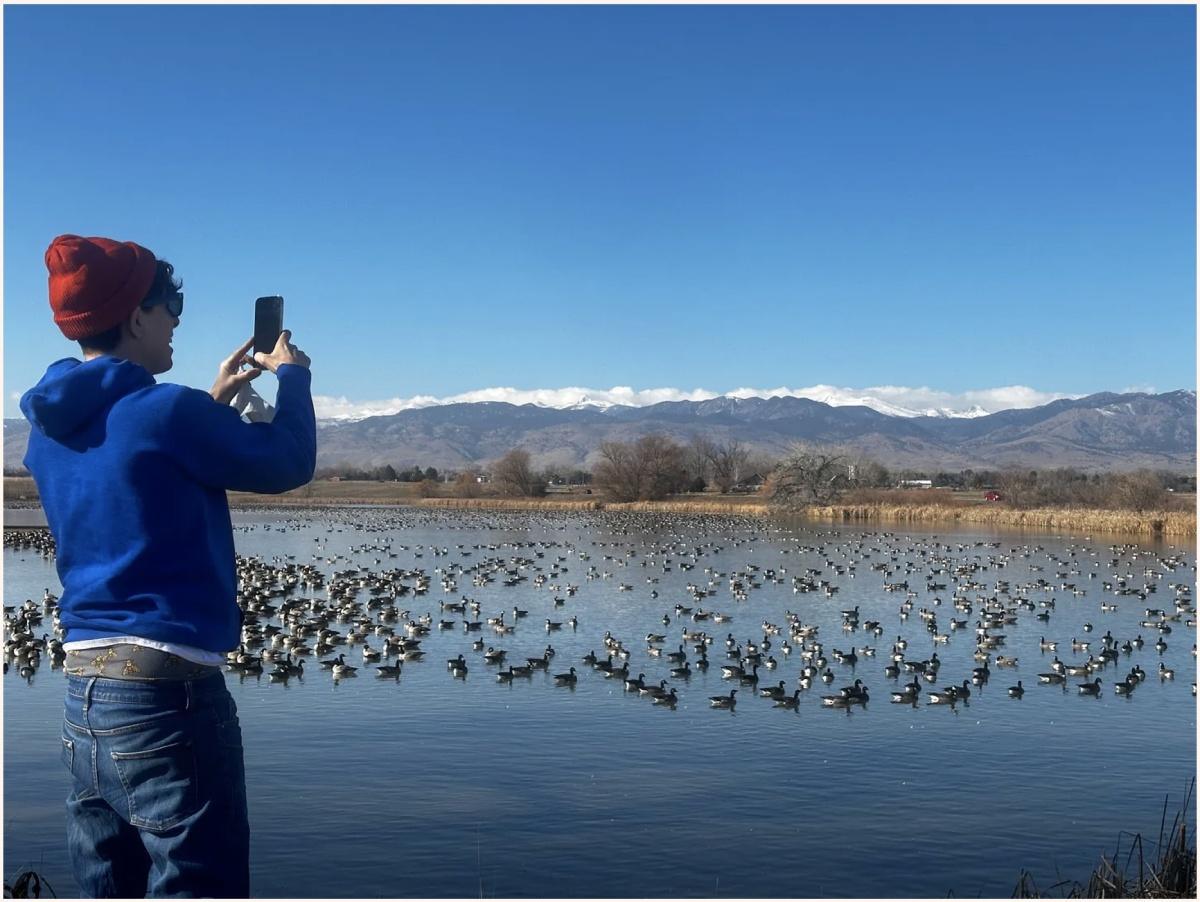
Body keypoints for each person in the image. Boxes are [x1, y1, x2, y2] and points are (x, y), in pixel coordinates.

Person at [19, 234, 316, 897]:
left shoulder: (49, 428)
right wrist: (293, 375)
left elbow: (129, 479)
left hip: (84, 697)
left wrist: (209, 409)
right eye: (170, 304)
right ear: (135, 317)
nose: (178, 317)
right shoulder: (166, 412)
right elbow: (288, 462)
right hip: (167, 699)